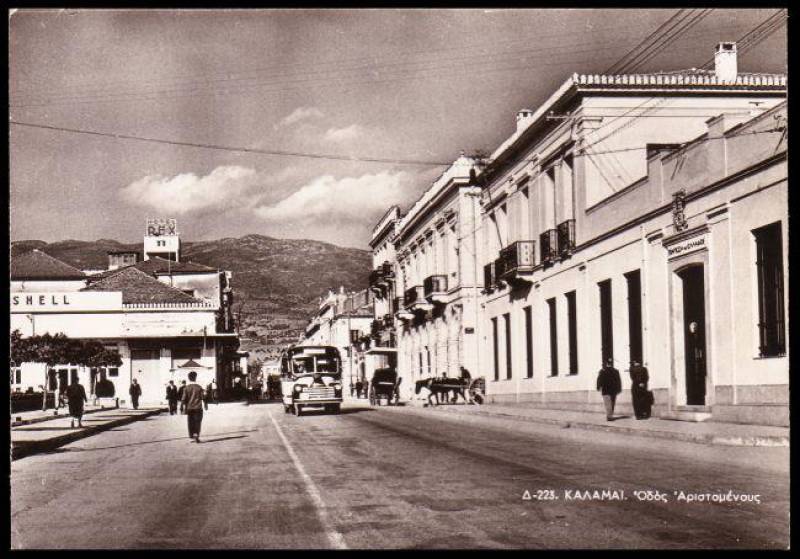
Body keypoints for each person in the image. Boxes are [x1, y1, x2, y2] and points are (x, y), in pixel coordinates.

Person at [182, 371, 208, 443]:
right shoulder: (199, 387)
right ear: (195, 377)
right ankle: (196, 434)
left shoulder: (186, 388)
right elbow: (203, 397)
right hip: (198, 407)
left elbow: (183, 399)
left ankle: (192, 435)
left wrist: (183, 408)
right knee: (198, 422)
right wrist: (205, 403)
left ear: (188, 378)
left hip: (189, 408)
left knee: (190, 422)